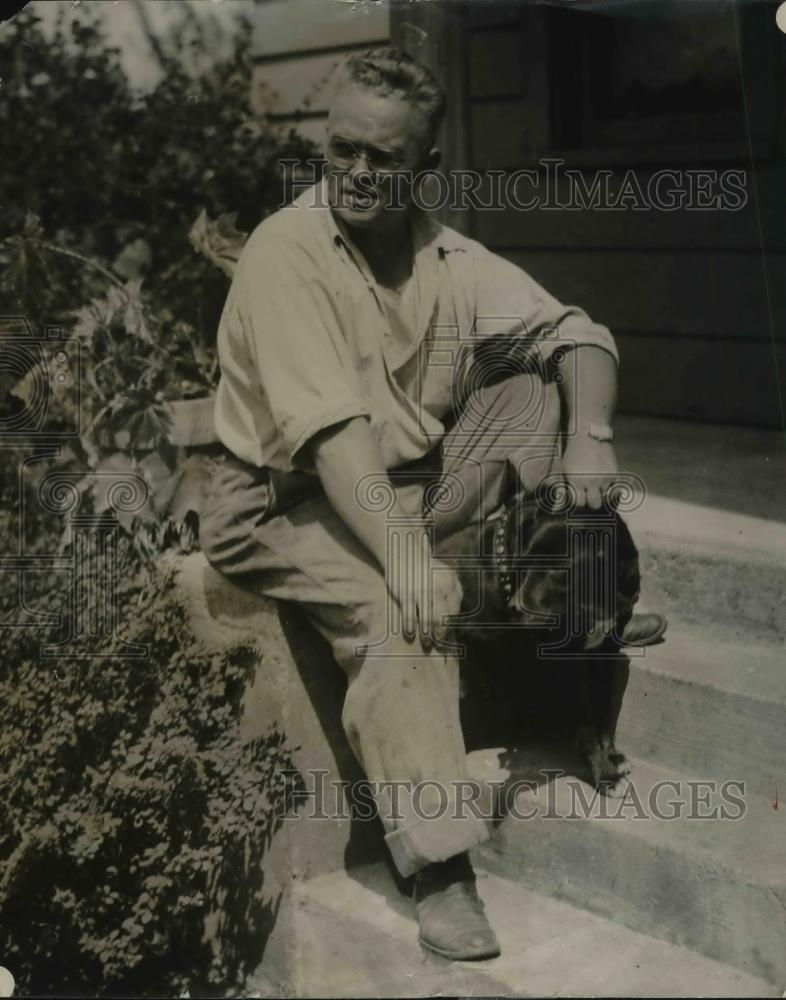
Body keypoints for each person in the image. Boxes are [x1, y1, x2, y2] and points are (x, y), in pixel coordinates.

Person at [200, 47, 666, 961]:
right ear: (324, 144)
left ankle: (545, 590)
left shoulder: (446, 255)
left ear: (423, 168)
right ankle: (440, 867)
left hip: (400, 485)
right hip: (278, 499)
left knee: (539, 391)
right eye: (343, 150)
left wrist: (590, 439)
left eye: (384, 158)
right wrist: (408, 559)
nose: (360, 174)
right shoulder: (284, 254)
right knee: (393, 610)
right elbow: (334, 437)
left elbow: (576, 330)